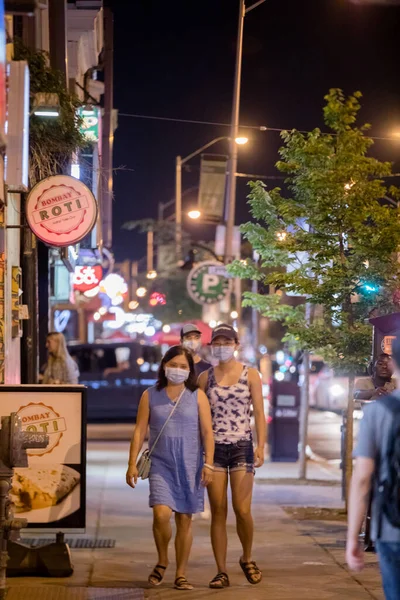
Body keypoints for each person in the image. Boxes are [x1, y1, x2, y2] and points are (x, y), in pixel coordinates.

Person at [126, 345, 214, 591]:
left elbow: (208, 432)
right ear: (164, 366)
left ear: (190, 370)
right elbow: (140, 430)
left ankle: (181, 573)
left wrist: (209, 463)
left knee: (185, 519)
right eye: (173, 365)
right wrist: (131, 463)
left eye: (183, 366)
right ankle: (163, 559)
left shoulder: (197, 396)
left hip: (190, 464)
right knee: (161, 514)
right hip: (161, 464)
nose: (177, 370)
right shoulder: (150, 394)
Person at [198, 323, 266, 589]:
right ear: (212, 346)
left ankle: (247, 558)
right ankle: (221, 570)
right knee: (218, 511)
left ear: (236, 345)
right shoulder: (206, 378)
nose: (222, 347)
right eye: (218, 342)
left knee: (242, 509)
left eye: (227, 342)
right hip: (214, 449)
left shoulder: (251, 375)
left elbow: (259, 413)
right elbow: (201, 419)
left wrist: (261, 445)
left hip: (241, 446)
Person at [346, 337, 400, 599]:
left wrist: (352, 538)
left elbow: (362, 478)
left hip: (391, 526)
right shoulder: (369, 390)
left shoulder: (379, 413)